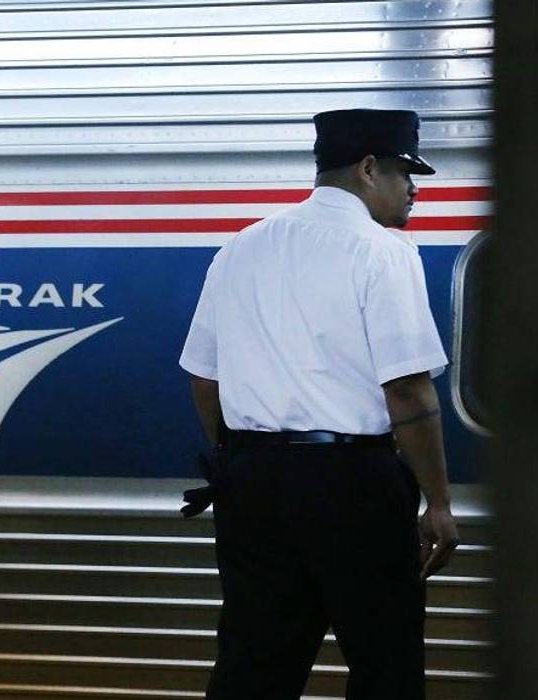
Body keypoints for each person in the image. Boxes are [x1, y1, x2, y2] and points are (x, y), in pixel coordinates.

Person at [177, 108, 461, 699]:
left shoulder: (242, 247)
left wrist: (236, 458)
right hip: (353, 483)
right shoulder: (383, 251)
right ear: (366, 169)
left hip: (252, 485)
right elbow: (408, 388)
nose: (413, 188)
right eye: (405, 172)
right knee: (386, 664)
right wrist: (437, 502)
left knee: (253, 667)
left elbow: (204, 378)